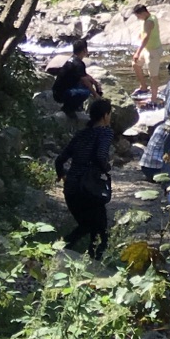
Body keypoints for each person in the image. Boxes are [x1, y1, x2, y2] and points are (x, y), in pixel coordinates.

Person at [54, 96, 114, 257]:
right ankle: (95, 264)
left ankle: (58, 251)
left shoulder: (82, 134)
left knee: (87, 225)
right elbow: (101, 156)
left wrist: (62, 174)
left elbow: (60, 159)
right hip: (89, 188)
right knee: (100, 231)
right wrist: (107, 168)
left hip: (72, 188)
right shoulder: (105, 132)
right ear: (105, 116)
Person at [50, 38, 100, 116]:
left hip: (57, 91)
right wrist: (95, 94)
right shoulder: (79, 64)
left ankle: (76, 107)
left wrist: (95, 82)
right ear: (84, 50)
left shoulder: (71, 60)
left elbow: (84, 75)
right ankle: (68, 109)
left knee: (85, 85)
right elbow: (85, 81)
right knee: (86, 91)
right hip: (62, 95)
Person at [131, 2, 161, 99]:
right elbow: (145, 33)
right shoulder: (149, 17)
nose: (138, 18)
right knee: (135, 64)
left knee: (153, 75)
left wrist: (137, 52)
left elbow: (146, 37)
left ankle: (153, 99)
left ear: (143, 13)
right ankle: (143, 87)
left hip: (153, 50)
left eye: (138, 16)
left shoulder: (149, 21)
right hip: (147, 48)